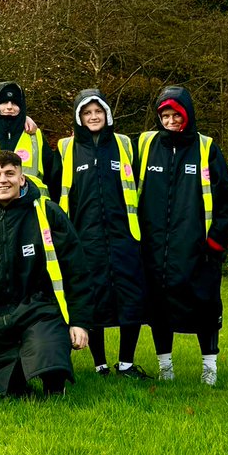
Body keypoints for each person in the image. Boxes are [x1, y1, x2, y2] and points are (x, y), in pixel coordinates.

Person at [0, 150, 89, 396]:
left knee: (49, 352)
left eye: (10, 173)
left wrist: (80, 321)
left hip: (40, 312)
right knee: (4, 388)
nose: (3, 180)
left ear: (22, 179)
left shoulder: (47, 212)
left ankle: (54, 382)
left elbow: (76, 269)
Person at [136, 86, 228, 386]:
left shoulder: (206, 148)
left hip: (198, 251)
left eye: (176, 115)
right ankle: (165, 368)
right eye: (165, 116)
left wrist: (215, 242)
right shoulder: (146, 144)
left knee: (205, 308)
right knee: (158, 310)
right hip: (155, 249)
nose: (170, 121)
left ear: (188, 115)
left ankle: (210, 368)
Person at [57, 89, 146, 379]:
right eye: (87, 113)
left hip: (124, 236)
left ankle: (126, 363)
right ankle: (100, 364)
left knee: (130, 299)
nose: (93, 117)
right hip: (85, 238)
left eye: (98, 111)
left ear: (107, 114)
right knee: (92, 298)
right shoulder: (65, 147)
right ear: (78, 117)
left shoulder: (125, 144)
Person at [0, 81, 60, 199]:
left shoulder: (34, 134)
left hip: (32, 206)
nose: (9, 107)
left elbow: (52, 176)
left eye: (15, 103)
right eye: (4, 102)